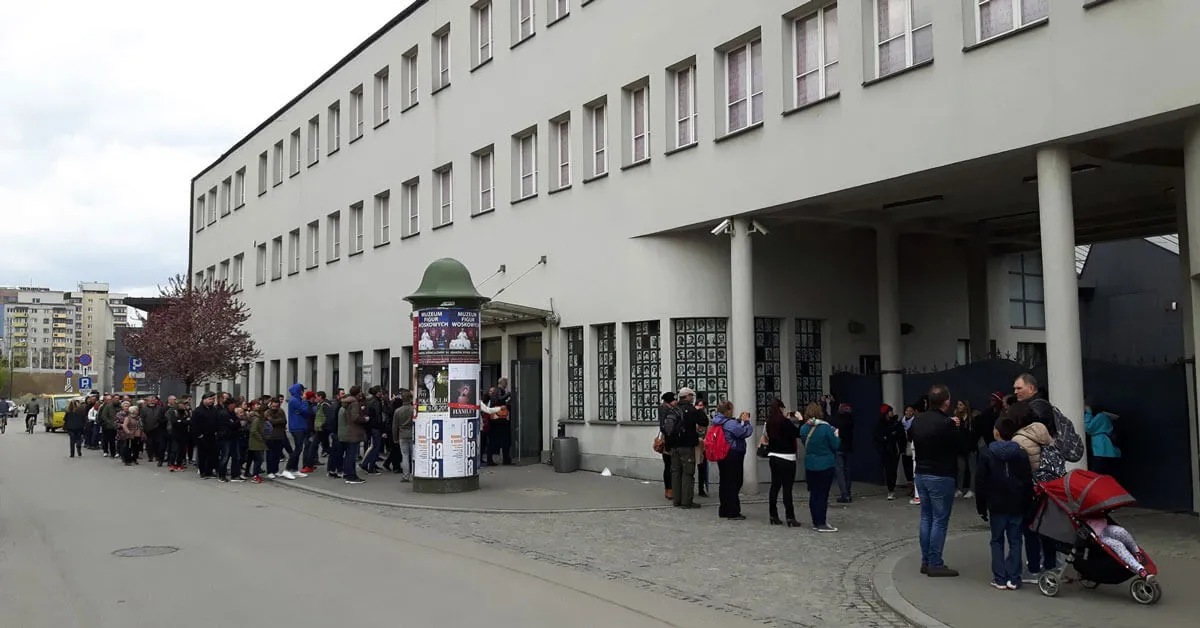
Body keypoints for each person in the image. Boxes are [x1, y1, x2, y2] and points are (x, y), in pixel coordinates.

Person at [976, 414, 1033, 591]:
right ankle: (1014, 578)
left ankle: (999, 577)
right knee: (1016, 540)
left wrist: (981, 506)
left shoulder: (986, 453)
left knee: (997, 540)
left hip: (996, 503)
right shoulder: (1021, 453)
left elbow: (981, 482)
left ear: (997, 433)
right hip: (1016, 503)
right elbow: (1027, 481)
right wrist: (1028, 503)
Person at [909, 384, 961, 577]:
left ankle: (925, 560)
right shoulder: (946, 423)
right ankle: (935, 562)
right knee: (939, 520)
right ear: (946, 402)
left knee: (926, 517)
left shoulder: (917, 421)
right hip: (941, 474)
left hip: (921, 473)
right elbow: (957, 446)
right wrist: (956, 427)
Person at [800, 401, 840, 532]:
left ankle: (815, 521)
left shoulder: (804, 428)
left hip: (810, 465)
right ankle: (822, 522)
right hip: (825, 464)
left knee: (814, 494)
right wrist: (837, 435)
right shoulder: (825, 428)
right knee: (823, 494)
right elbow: (835, 445)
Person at [710, 400, 753, 520]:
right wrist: (747, 422)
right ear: (728, 410)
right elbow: (744, 432)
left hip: (722, 454)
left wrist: (739, 420)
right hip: (732, 454)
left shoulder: (718, 421)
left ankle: (724, 509)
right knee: (735, 482)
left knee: (724, 482)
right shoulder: (729, 423)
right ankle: (733, 511)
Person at [764, 398, 801, 526]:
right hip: (787, 457)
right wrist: (799, 420)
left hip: (773, 456)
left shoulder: (769, 422)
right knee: (787, 488)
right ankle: (790, 517)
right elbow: (797, 433)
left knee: (774, 486)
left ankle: (773, 515)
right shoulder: (785, 422)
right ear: (780, 408)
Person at [669, 388, 707, 509]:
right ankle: (686, 501)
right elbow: (704, 422)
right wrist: (700, 411)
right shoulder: (691, 410)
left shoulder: (672, 409)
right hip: (687, 445)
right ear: (688, 396)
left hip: (673, 445)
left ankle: (676, 500)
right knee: (688, 472)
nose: (693, 398)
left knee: (675, 472)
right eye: (692, 396)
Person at [1083, 516, 1153, 579]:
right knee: (1118, 545)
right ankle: (1139, 569)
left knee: (1121, 531)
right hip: (1097, 536)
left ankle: (1137, 552)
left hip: (1105, 527)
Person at [875, 404, 906, 501]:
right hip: (885, 450)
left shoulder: (896, 423)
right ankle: (891, 489)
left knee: (893, 470)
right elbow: (878, 437)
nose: (892, 413)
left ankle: (892, 488)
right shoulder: (880, 424)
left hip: (895, 449)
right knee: (888, 470)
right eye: (890, 411)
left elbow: (900, 435)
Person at [283, 383, 312, 480]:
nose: (303, 392)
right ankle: (287, 470)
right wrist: (304, 401)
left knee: (299, 449)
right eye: (302, 390)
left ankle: (294, 469)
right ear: (299, 390)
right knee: (297, 449)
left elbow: (304, 412)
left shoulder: (296, 400)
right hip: (297, 427)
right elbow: (305, 410)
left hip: (300, 426)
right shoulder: (294, 400)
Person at [339, 386, 367, 484]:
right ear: (357, 393)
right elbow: (355, 417)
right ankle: (351, 476)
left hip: (348, 430)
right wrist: (364, 419)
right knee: (352, 455)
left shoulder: (347, 402)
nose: (361, 393)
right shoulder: (354, 403)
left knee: (348, 454)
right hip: (354, 431)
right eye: (360, 391)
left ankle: (347, 474)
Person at [1084, 404, 1121, 477]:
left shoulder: (1102, 416)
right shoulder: (1108, 418)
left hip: (1101, 452)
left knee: (1095, 477)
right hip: (1110, 453)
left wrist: (1088, 412)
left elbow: (1088, 428)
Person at [656, 392, 680, 500]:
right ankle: (669, 490)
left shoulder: (665, 409)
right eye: (674, 400)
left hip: (667, 439)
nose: (676, 402)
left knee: (668, 465)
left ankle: (669, 490)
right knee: (669, 465)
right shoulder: (667, 410)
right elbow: (665, 427)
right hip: (668, 440)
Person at [830, 403, 855, 503]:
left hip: (839, 447)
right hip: (849, 448)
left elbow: (829, 419)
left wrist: (829, 404)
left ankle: (844, 494)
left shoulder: (837, 420)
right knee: (847, 472)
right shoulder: (851, 420)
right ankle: (848, 492)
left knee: (840, 472)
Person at [263, 397, 288, 479]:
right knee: (270, 455)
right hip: (270, 436)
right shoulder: (267, 412)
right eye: (274, 406)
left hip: (280, 435)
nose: (275, 408)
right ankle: (270, 471)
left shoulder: (281, 411)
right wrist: (278, 421)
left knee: (277, 455)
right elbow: (269, 422)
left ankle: (276, 471)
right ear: (271, 404)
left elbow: (284, 421)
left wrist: (276, 421)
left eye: (277, 406)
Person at [392, 391, 415, 481]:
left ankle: (405, 476)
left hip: (402, 435)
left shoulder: (397, 411)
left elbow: (394, 426)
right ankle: (414, 474)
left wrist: (395, 438)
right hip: (413, 434)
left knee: (404, 456)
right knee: (414, 455)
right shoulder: (414, 409)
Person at [168, 397, 191, 471]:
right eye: (182, 404)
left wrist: (181, 421)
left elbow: (189, 421)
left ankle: (179, 464)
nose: (183, 406)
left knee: (182, 451)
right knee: (174, 450)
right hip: (175, 434)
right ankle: (172, 464)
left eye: (184, 405)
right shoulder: (174, 412)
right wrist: (183, 421)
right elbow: (174, 422)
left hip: (184, 434)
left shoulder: (186, 412)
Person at [141, 396, 166, 465]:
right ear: (148, 401)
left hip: (158, 428)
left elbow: (163, 417)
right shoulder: (144, 409)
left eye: (153, 400)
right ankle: (150, 456)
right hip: (148, 429)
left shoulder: (160, 408)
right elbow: (142, 419)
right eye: (150, 400)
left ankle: (157, 456)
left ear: (156, 401)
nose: (152, 401)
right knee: (149, 443)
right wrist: (142, 429)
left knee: (157, 443)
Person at [248, 402, 268, 483]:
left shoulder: (261, 419)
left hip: (259, 442)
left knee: (259, 459)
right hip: (256, 442)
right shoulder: (257, 419)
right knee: (258, 459)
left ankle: (256, 475)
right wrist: (261, 438)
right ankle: (255, 476)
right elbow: (253, 431)